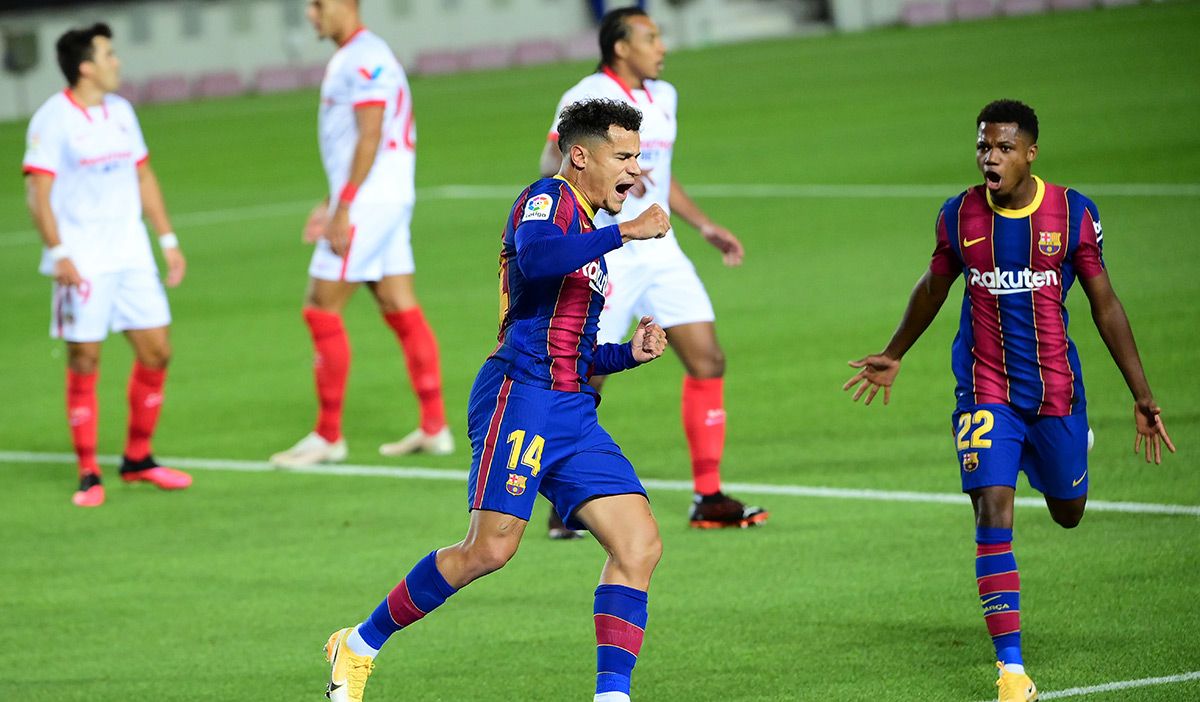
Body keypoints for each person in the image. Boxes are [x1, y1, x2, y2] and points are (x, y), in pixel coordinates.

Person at [323, 98, 671, 702]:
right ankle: (357, 644)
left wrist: (627, 356)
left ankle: (612, 695)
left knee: (638, 544)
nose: (634, 171)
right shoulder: (548, 199)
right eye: (622, 157)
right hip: (522, 395)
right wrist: (626, 233)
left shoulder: (588, 227)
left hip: (572, 408)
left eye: (637, 158)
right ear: (580, 155)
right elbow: (537, 260)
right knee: (490, 549)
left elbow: (574, 347)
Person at [843, 99, 1176, 702]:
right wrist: (895, 352)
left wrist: (1142, 394)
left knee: (1068, 511)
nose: (988, 158)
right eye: (981, 147)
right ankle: (1012, 671)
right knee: (992, 509)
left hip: (1055, 392)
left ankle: (1070, 453)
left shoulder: (1073, 213)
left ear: (1029, 153)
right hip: (983, 388)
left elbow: (1105, 305)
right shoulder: (958, 215)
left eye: (1001, 148)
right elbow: (933, 286)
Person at [538, 7, 766, 534]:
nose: (661, 47)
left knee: (708, 359)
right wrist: (609, 173)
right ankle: (565, 496)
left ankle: (708, 496)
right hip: (608, 247)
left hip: (661, 249)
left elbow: (662, 175)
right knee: (587, 369)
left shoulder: (664, 98)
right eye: (651, 38)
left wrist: (705, 225)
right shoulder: (586, 96)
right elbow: (551, 165)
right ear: (621, 47)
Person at [270, 0, 450, 467]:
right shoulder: (357, 55)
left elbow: (371, 133)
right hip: (380, 197)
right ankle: (435, 427)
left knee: (320, 307)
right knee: (398, 304)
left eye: (317, 4)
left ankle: (328, 435)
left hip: (370, 200)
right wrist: (334, 200)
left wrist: (345, 205)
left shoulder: (365, 57)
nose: (310, 14)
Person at [22, 23, 192, 508]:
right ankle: (88, 470)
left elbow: (143, 174)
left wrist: (168, 240)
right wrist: (58, 252)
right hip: (84, 260)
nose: (117, 62)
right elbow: (39, 192)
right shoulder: (52, 119)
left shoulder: (122, 112)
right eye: (108, 54)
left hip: (132, 254)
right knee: (86, 359)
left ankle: (138, 459)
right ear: (85, 67)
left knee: (157, 350)